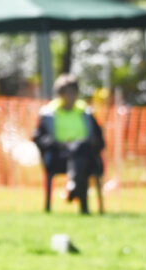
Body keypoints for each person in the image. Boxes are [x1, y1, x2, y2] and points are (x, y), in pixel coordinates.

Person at [32, 74, 105, 214]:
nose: (70, 96)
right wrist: (57, 144)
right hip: (58, 157)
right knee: (78, 155)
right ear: (60, 94)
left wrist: (90, 144)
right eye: (66, 93)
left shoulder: (86, 112)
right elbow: (39, 138)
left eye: (73, 92)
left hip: (86, 156)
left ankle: (74, 186)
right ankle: (81, 201)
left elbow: (99, 139)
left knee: (80, 151)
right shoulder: (48, 113)